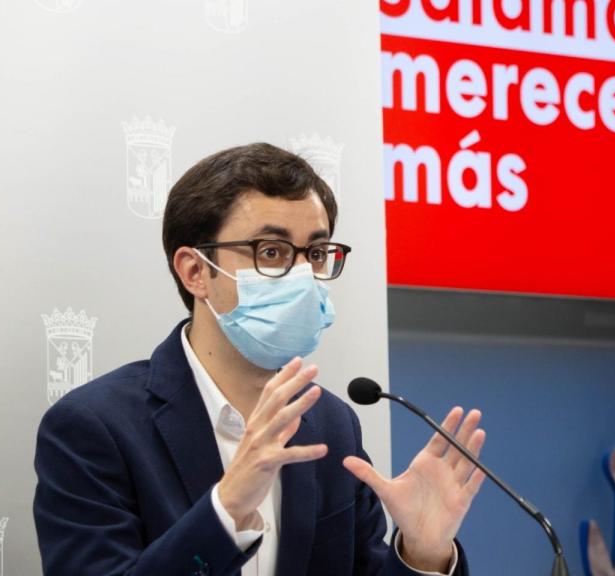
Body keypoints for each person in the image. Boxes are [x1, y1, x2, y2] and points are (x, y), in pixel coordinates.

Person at [33, 143, 487, 575]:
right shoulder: (95, 427)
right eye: (271, 252)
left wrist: (422, 555)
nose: (302, 275)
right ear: (195, 273)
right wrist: (226, 510)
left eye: (315, 252)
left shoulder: (331, 424)